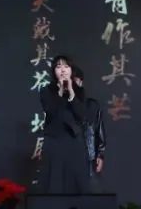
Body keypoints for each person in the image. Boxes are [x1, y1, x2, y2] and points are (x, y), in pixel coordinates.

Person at [36, 55, 90, 194]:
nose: (63, 70)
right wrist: (60, 92)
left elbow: (81, 115)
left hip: (74, 141)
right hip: (54, 140)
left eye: (66, 66)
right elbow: (50, 110)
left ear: (71, 70)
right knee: (54, 180)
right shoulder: (46, 90)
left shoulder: (79, 91)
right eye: (58, 67)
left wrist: (71, 92)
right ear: (54, 71)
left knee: (75, 181)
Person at [71, 65, 106, 191]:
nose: (72, 84)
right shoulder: (60, 105)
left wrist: (100, 154)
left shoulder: (92, 105)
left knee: (90, 192)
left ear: (81, 82)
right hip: (66, 159)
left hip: (89, 158)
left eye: (75, 80)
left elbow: (99, 130)